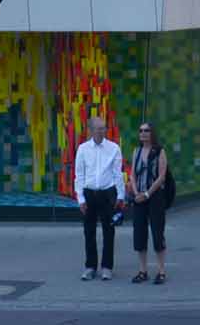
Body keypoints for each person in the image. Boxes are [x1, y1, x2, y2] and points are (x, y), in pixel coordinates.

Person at [73, 114, 123, 282]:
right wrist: (81, 199)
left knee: (109, 231)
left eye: (104, 128)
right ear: (91, 130)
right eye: (98, 129)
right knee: (89, 232)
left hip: (107, 193)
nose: (102, 131)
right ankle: (90, 266)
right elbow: (79, 175)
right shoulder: (82, 149)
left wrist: (120, 196)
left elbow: (117, 174)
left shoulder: (114, 148)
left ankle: (107, 267)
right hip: (89, 194)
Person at [126, 122, 170, 285]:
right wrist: (137, 193)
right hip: (139, 198)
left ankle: (161, 271)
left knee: (157, 232)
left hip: (155, 197)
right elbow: (132, 175)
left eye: (147, 130)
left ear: (152, 133)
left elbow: (161, 177)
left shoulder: (160, 152)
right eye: (141, 130)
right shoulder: (136, 151)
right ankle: (142, 271)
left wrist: (147, 194)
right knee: (139, 234)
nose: (143, 133)